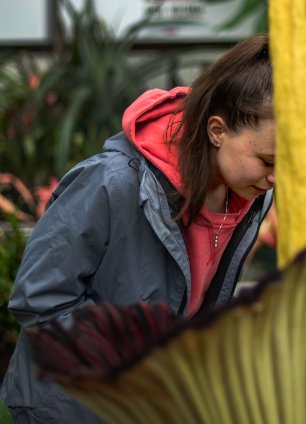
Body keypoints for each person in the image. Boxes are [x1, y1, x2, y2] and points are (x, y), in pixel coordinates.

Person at [1, 34, 275, 423]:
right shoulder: (110, 183)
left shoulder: (248, 192)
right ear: (218, 130)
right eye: (267, 160)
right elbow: (38, 300)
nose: (275, 177)